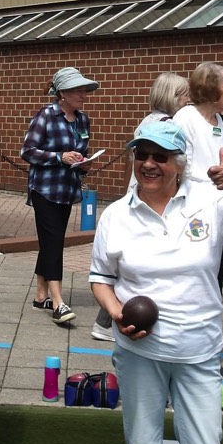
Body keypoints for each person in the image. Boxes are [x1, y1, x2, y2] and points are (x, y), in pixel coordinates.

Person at [89, 121, 223, 444]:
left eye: (160, 156)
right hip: (140, 353)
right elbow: (101, 278)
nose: (149, 164)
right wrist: (117, 312)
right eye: (141, 155)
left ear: (180, 162)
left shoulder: (211, 201)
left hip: (199, 352)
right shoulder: (116, 215)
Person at [91, 72, 190, 342]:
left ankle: (108, 319)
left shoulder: (149, 120)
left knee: (125, 267)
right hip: (151, 200)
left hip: (141, 195)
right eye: (183, 95)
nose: (187, 100)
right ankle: (110, 320)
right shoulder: (170, 124)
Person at [21, 66, 99, 324]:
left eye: (84, 89)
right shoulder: (46, 116)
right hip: (44, 189)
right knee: (54, 242)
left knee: (50, 240)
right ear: (62, 93)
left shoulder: (82, 120)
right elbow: (28, 151)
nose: (83, 94)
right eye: (78, 89)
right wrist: (59, 157)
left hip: (67, 189)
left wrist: (83, 162)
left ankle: (40, 295)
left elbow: (78, 151)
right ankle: (58, 302)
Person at [172, 62, 223, 295]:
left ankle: (211, 323)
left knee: (217, 268)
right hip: (194, 207)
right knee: (192, 266)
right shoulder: (185, 118)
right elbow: (182, 164)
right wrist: (216, 179)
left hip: (221, 205)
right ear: (212, 90)